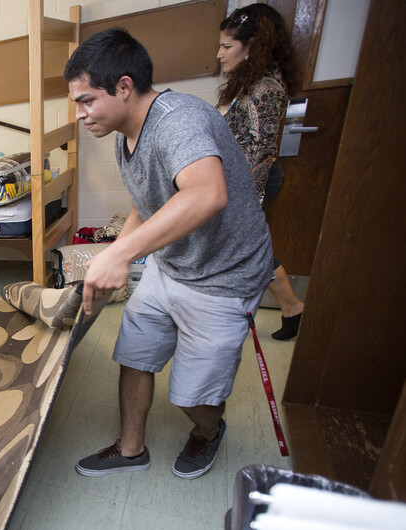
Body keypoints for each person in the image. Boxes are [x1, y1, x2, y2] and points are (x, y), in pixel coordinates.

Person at [65, 29, 274, 479]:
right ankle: (130, 448)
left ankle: (208, 431)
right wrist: (118, 252)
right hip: (171, 265)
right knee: (135, 355)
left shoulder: (179, 121)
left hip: (224, 276)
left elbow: (207, 194)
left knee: (193, 396)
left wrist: (123, 256)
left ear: (124, 87)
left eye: (86, 101)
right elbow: (150, 204)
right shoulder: (126, 135)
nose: (80, 114)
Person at [218, 4, 305, 340]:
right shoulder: (248, 80)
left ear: (252, 46)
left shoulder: (266, 88)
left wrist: (246, 203)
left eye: (227, 47)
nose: (220, 54)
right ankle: (292, 307)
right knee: (253, 248)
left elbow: (262, 150)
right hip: (237, 180)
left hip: (252, 180)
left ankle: (286, 308)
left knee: (248, 248)